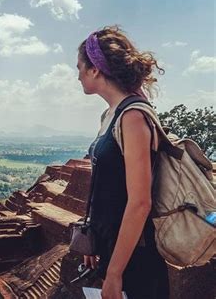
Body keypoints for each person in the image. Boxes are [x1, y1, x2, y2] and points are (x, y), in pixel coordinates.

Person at [76, 26, 170, 299]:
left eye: (80, 67)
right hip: (112, 247)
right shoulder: (111, 115)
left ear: (95, 70)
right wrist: (93, 239)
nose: (78, 75)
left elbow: (140, 202)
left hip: (136, 259)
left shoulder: (132, 116)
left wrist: (116, 273)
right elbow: (108, 189)